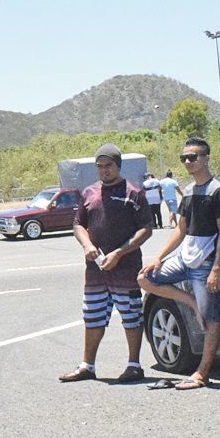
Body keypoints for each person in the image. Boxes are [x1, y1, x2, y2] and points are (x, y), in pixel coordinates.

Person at [139, 138, 220, 389]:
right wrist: (159, 257)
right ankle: (189, 301)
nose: (188, 162)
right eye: (184, 158)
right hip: (184, 258)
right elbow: (181, 229)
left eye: (193, 157)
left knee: (211, 319)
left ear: (206, 159)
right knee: (145, 279)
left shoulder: (219, 191)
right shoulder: (189, 191)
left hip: (205, 263)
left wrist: (216, 268)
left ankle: (202, 373)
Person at [60, 144, 155, 384]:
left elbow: (146, 229)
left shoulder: (133, 192)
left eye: (108, 166)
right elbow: (78, 224)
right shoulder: (89, 193)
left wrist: (120, 253)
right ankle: (87, 366)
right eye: (99, 167)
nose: (104, 171)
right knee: (92, 317)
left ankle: (134, 366)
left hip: (126, 268)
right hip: (96, 271)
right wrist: (87, 246)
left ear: (118, 166)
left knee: (131, 316)